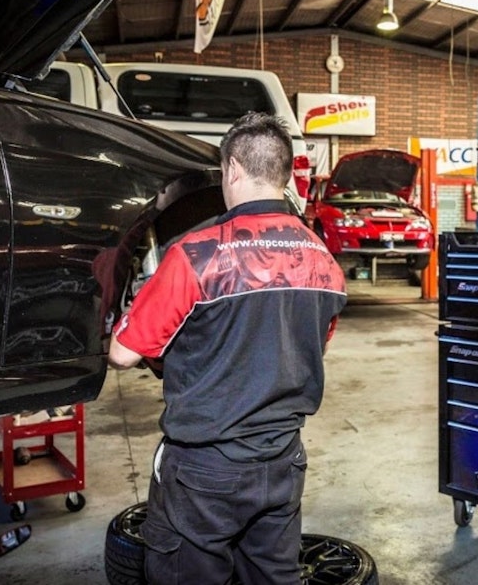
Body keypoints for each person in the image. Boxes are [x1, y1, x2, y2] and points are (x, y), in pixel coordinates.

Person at [107, 112, 347, 585]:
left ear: (232, 169)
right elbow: (309, 345)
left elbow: (123, 353)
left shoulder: (196, 254)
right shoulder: (325, 262)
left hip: (204, 469)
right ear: (285, 174)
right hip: (283, 461)